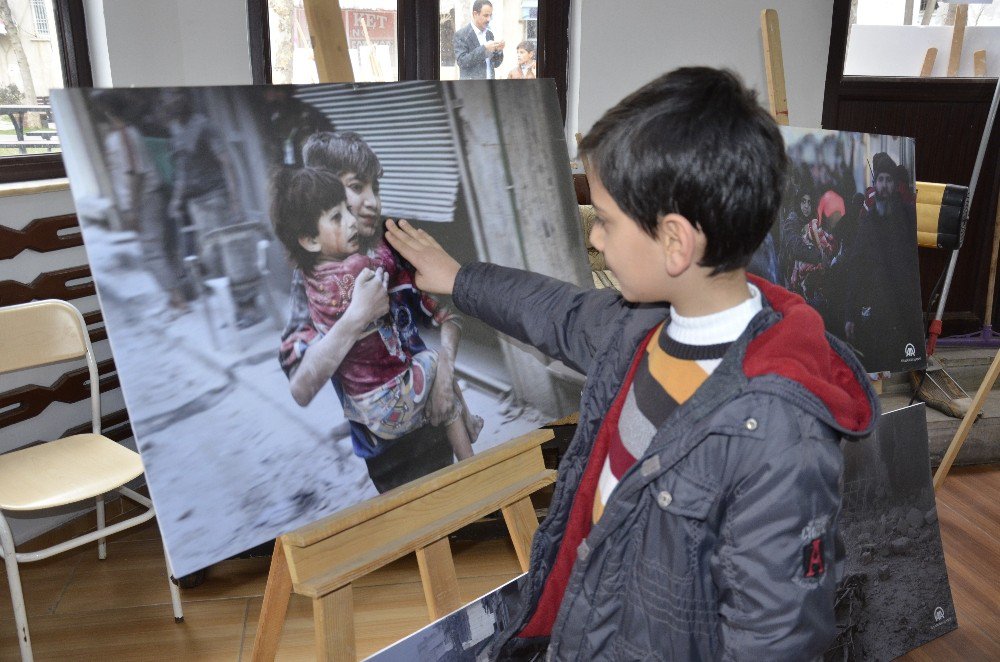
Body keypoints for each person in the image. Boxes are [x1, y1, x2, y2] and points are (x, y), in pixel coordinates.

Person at [385, 67, 879, 660]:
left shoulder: (777, 434)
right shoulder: (640, 328)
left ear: (674, 243)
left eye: (607, 223)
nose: (595, 241)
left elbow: (776, 634)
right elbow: (558, 313)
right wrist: (460, 279)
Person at [279, 131, 473, 492]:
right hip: (388, 453)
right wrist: (354, 320)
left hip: (436, 421)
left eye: (375, 187)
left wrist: (445, 377)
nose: (372, 202)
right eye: (355, 186)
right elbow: (301, 389)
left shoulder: (395, 245)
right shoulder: (311, 281)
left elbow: (450, 317)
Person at [163, 90, 265, 328]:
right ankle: (236, 308)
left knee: (233, 257)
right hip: (197, 207)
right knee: (212, 260)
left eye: (176, 98)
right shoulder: (176, 132)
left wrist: (235, 201)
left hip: (217, 200)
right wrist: (176, 201)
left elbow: (226, 163)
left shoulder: (204, 126)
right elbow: (182, 172)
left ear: (186, 101)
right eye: (169, 100)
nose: (172, 104)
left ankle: (250, 307)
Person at [92, 91, 188, 312]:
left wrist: (132, 210)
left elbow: (135, 173)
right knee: (158, 248)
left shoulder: (123, 136)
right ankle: (176, 296)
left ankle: (178, 299)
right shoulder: (123, 134)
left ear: (108, 111)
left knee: (152, 251)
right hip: (146, 198)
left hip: (145, 199)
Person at [843, 152, 918, 365]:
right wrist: (849, 313)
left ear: (894, 184)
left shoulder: (908, 215)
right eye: (881, 180)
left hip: (905, 307)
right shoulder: (868, 223)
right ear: (875, 184)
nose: (884, 185)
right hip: (879, 307)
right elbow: (856, 267)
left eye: (889, 180)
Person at [453, 0, 504, 80]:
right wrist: (484, 49)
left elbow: (495, 64)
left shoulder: (489, 34)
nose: (489, 19)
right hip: (471, 88)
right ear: (475, 14)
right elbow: (462, 62)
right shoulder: (461, 34)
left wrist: (499, 51)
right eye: (486, 15)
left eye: (490, 15)